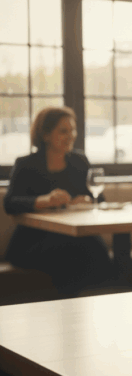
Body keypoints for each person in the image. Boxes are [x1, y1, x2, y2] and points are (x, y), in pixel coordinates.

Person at [3, 106, 115, 296]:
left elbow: (99, 199)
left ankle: (103, 300)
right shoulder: (26, 164)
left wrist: (86, 201)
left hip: (74, 235)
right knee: (69, 253)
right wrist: (44, 200)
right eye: (63, 131)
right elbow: (10, 203)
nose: (71, 135)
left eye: (72, 130)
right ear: (45, 135)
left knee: (98, 248)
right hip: (33, 240)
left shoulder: (79, 161)